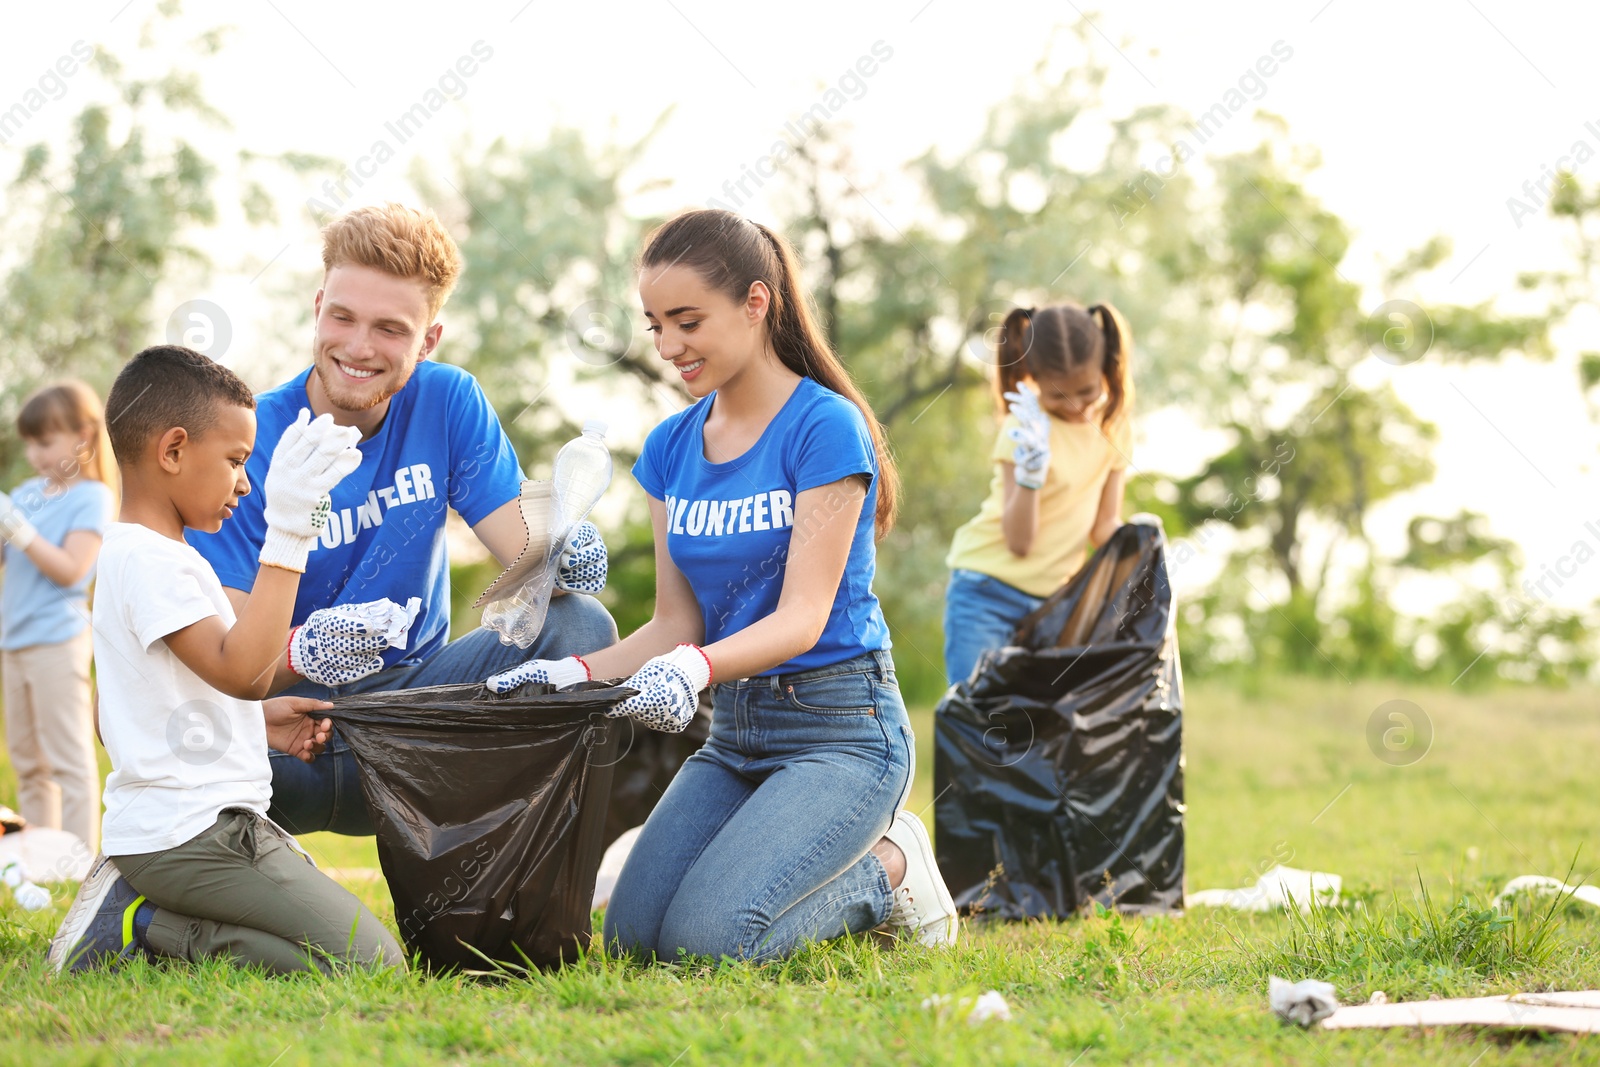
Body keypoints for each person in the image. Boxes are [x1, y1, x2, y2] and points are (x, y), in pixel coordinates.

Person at [487, 209, 958, 961]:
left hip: (841, 729)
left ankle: (892, 869)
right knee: (635, 940)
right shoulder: (672, 446)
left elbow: (803, 617)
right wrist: (565, 674)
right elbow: (675, 623)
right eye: (655, 326)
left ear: (756, 303)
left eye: (688, 320)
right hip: (736, 731)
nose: (671, 346)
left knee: (709, 945)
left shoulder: (824, 427)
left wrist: (694, 667)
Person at [186, 202, 618, 837]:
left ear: (429, 339)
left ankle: (491, 863)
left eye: (390, 329)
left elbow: (524, 557)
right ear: (317, 308)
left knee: (581, 626)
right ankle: (161, 874)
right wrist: (310, 651)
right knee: (179, 717)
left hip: (415, 722)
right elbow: (227, 661)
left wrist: (560, 544)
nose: (358, 348)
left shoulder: (447, 400)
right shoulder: (251, 436)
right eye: (342, 317)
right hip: (285, 739)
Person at [47, 345, 402, 974]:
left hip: (191, 831)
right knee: (370, 965)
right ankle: (146, 926)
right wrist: (289, 530)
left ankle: (151, 912)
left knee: (344, 954)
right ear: (173, 450)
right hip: (191, 837)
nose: (246, 481)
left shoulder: (157, 555)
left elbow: (138, 704)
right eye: (236, 461)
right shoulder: (150, 560)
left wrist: (256, 720)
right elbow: (240, 669)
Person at [942, 303, 1134, 686]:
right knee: (979, 721)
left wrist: (1143, 550)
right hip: (987, 594)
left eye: (1087, 391)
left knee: (1041, 733)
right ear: (1033, 379)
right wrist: (1031, 476)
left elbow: (1103, 528)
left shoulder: (1113, 428)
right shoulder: (1024, 429)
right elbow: (1019, 542)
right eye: (1058, 397)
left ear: (1105, 372)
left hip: (1054, 604)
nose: (1076, 405)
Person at [0, 382, 118, 852]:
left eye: (44, 443)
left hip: (57, 640)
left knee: (68, 759)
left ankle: (76, 862)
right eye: (30, 443)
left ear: (83, 437)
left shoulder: (93, 497)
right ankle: (38, 857)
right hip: (12, 641)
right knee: (28, 761)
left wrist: (20, 530)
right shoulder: (28, 492)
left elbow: (72, 570)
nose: (34, 455)